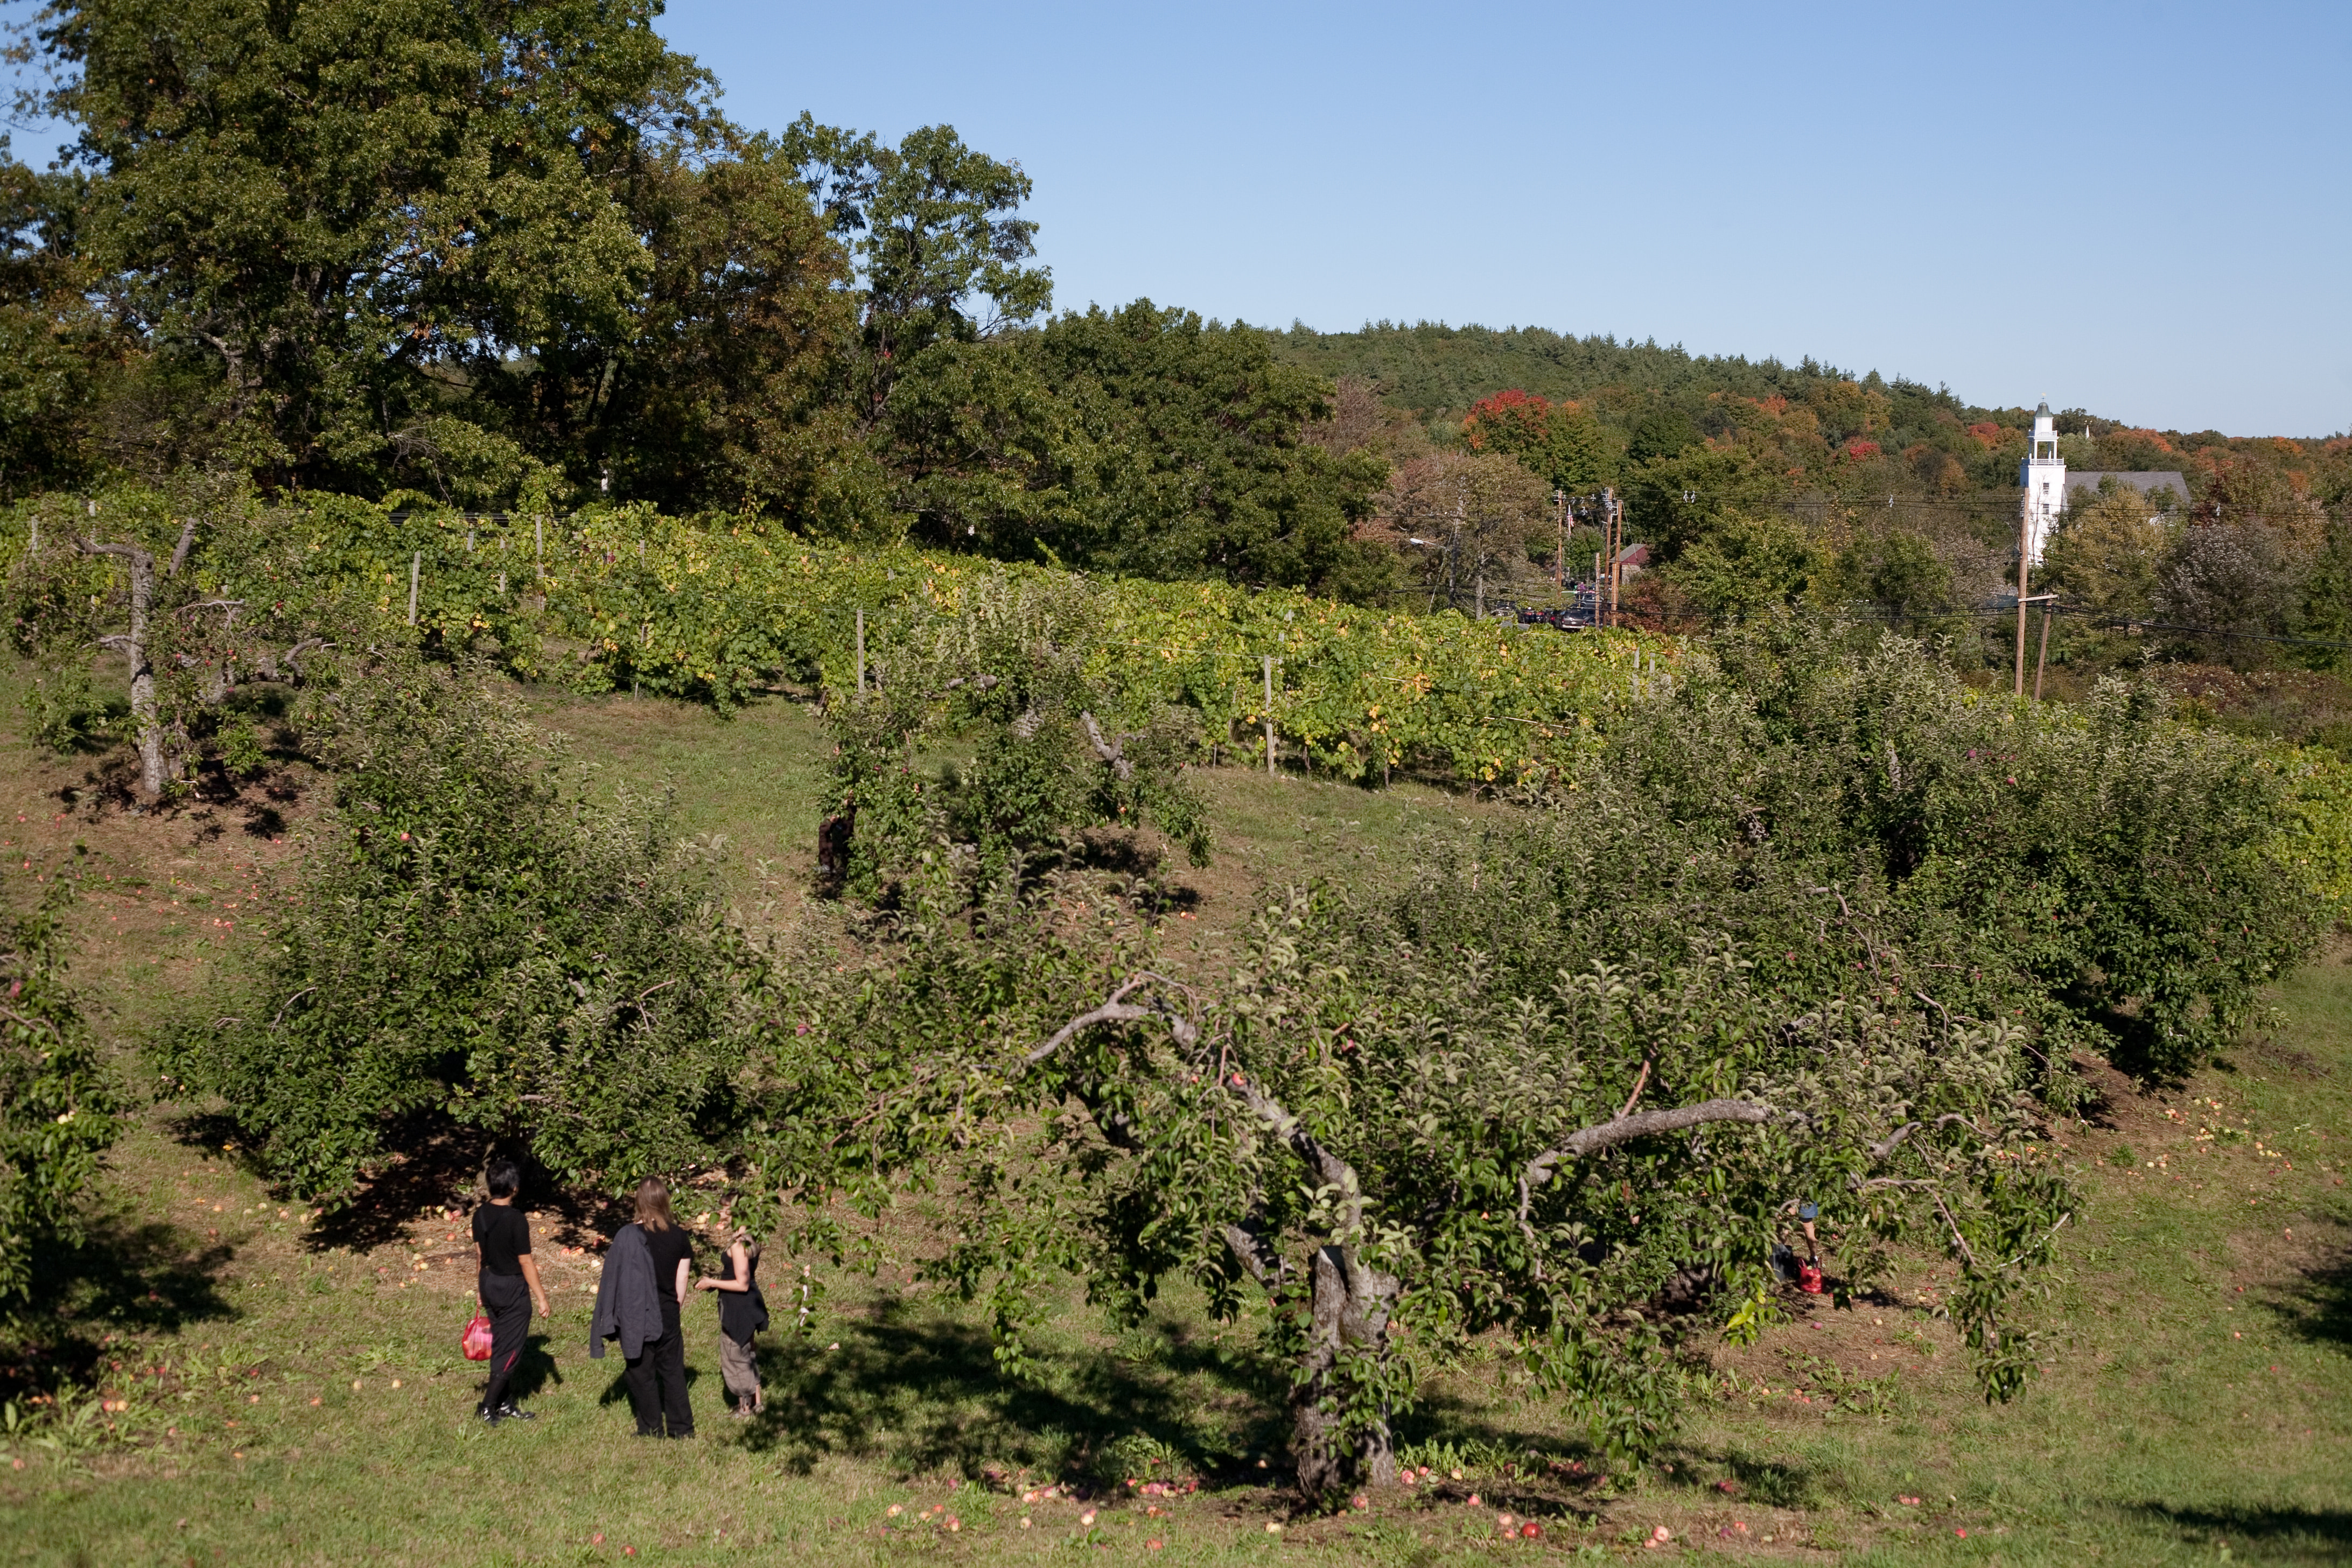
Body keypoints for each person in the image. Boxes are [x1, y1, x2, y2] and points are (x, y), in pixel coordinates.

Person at [472, 1157, 551, 1425]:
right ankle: (487, 1406)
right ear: (514, 1187)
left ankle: (505, 1404)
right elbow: (525, 1261)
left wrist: (480, 1288)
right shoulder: (517, 1220)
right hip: (511, 1288)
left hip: (489, 1281)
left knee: (501, 1343)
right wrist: (541, 1296)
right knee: (511, 1350)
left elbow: (480, 1254)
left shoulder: (480, 1214)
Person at [625, 1178, 695, 1437]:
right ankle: (682, 1429)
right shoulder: (680, 1237)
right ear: (665, 1200)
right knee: (673, 1371)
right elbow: (683, 1278)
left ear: (639, 1201)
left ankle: (651, 1427)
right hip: (667, 1309)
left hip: (639, 1312)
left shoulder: (631, 1236)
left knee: (641, 1372)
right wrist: (676, 1305)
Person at [694, 1227, 768, 1418]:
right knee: (749, 1353)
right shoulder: (753, 1240)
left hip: (738, 1309)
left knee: (735, 1357)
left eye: (727, 1210)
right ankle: (757, 1403)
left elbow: (741, 1284)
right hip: (751, 1305)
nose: (723, 1215)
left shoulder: (739, 1246)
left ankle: (745, 1409)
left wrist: (712, 1282)